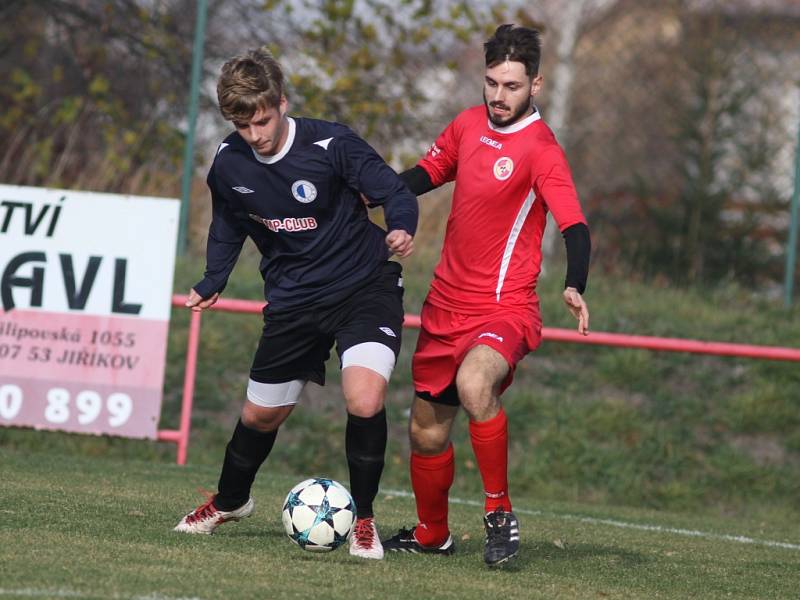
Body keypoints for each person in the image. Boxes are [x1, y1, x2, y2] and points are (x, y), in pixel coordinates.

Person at [173, 48, 418, 561]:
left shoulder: (331, 144)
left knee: (365, 399)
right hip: (293, 300)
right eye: (243, 125)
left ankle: (365, 520)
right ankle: (230, 501)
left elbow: (394, 190)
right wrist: (213, 277)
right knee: (260, 417)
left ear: (281, 102)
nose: (256, 134)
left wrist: (400, 226)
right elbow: (227, 224)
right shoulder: (229, 162)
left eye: (262, 120)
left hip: (362, 286)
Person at [381, 24, 591, 567]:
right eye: (492, 83)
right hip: (444, 306)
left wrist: (575, 283)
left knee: (477, 384)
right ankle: (432, 534)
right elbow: (431, 171)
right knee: (426, 434)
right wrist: (375, 189)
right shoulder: (468, 124)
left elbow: (574, 226)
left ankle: (499, 513)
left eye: (512, 86)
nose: (499, 96)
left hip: (505, 306)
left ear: (536, 85)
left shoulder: (542, 149)